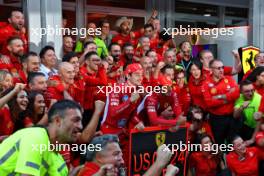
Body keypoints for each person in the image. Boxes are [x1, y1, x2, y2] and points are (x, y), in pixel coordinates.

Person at [0, 100, 82, 175]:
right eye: (76, 120)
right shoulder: (36, 137)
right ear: (58, 121)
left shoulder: (60, 162)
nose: (80, 126)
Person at [78, 135, 178, 176]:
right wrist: (160, 164)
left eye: (121, 156)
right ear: (99, 157)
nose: (122, 161)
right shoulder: (88, 172)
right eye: (116, 154)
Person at [203, 59, 240, 144]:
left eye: (222, 67)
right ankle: (220, 157)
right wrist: (228, 99)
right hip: (217, 119)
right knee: (219, 143)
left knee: (233, 142)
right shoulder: (206, 83)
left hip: (232, 117)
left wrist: (221, 96)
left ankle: (230, 157)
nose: (221, 70)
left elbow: (236, 94)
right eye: (218, 68)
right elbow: (209, 103)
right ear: (211, 69)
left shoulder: (229, 79)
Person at [80, 51, 107, 127]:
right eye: (94, 60)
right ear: (87, 62)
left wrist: (101, 69)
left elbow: (104, 84)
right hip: (84, 110)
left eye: (98, 60)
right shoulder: (81, 72)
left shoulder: (98, 73)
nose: (97, 63)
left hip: (96, 109)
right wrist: (101, 69)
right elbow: (103, 82)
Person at [234, 80, 263, 144]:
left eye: (252, 90)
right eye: (247, 91)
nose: (250, 93)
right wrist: (242, 108)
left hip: (259, 127)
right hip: (245, 127)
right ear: (241, 92)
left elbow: (259, 121)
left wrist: (252, 139)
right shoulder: (239, 98)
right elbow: (235, 115)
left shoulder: (260, 99)